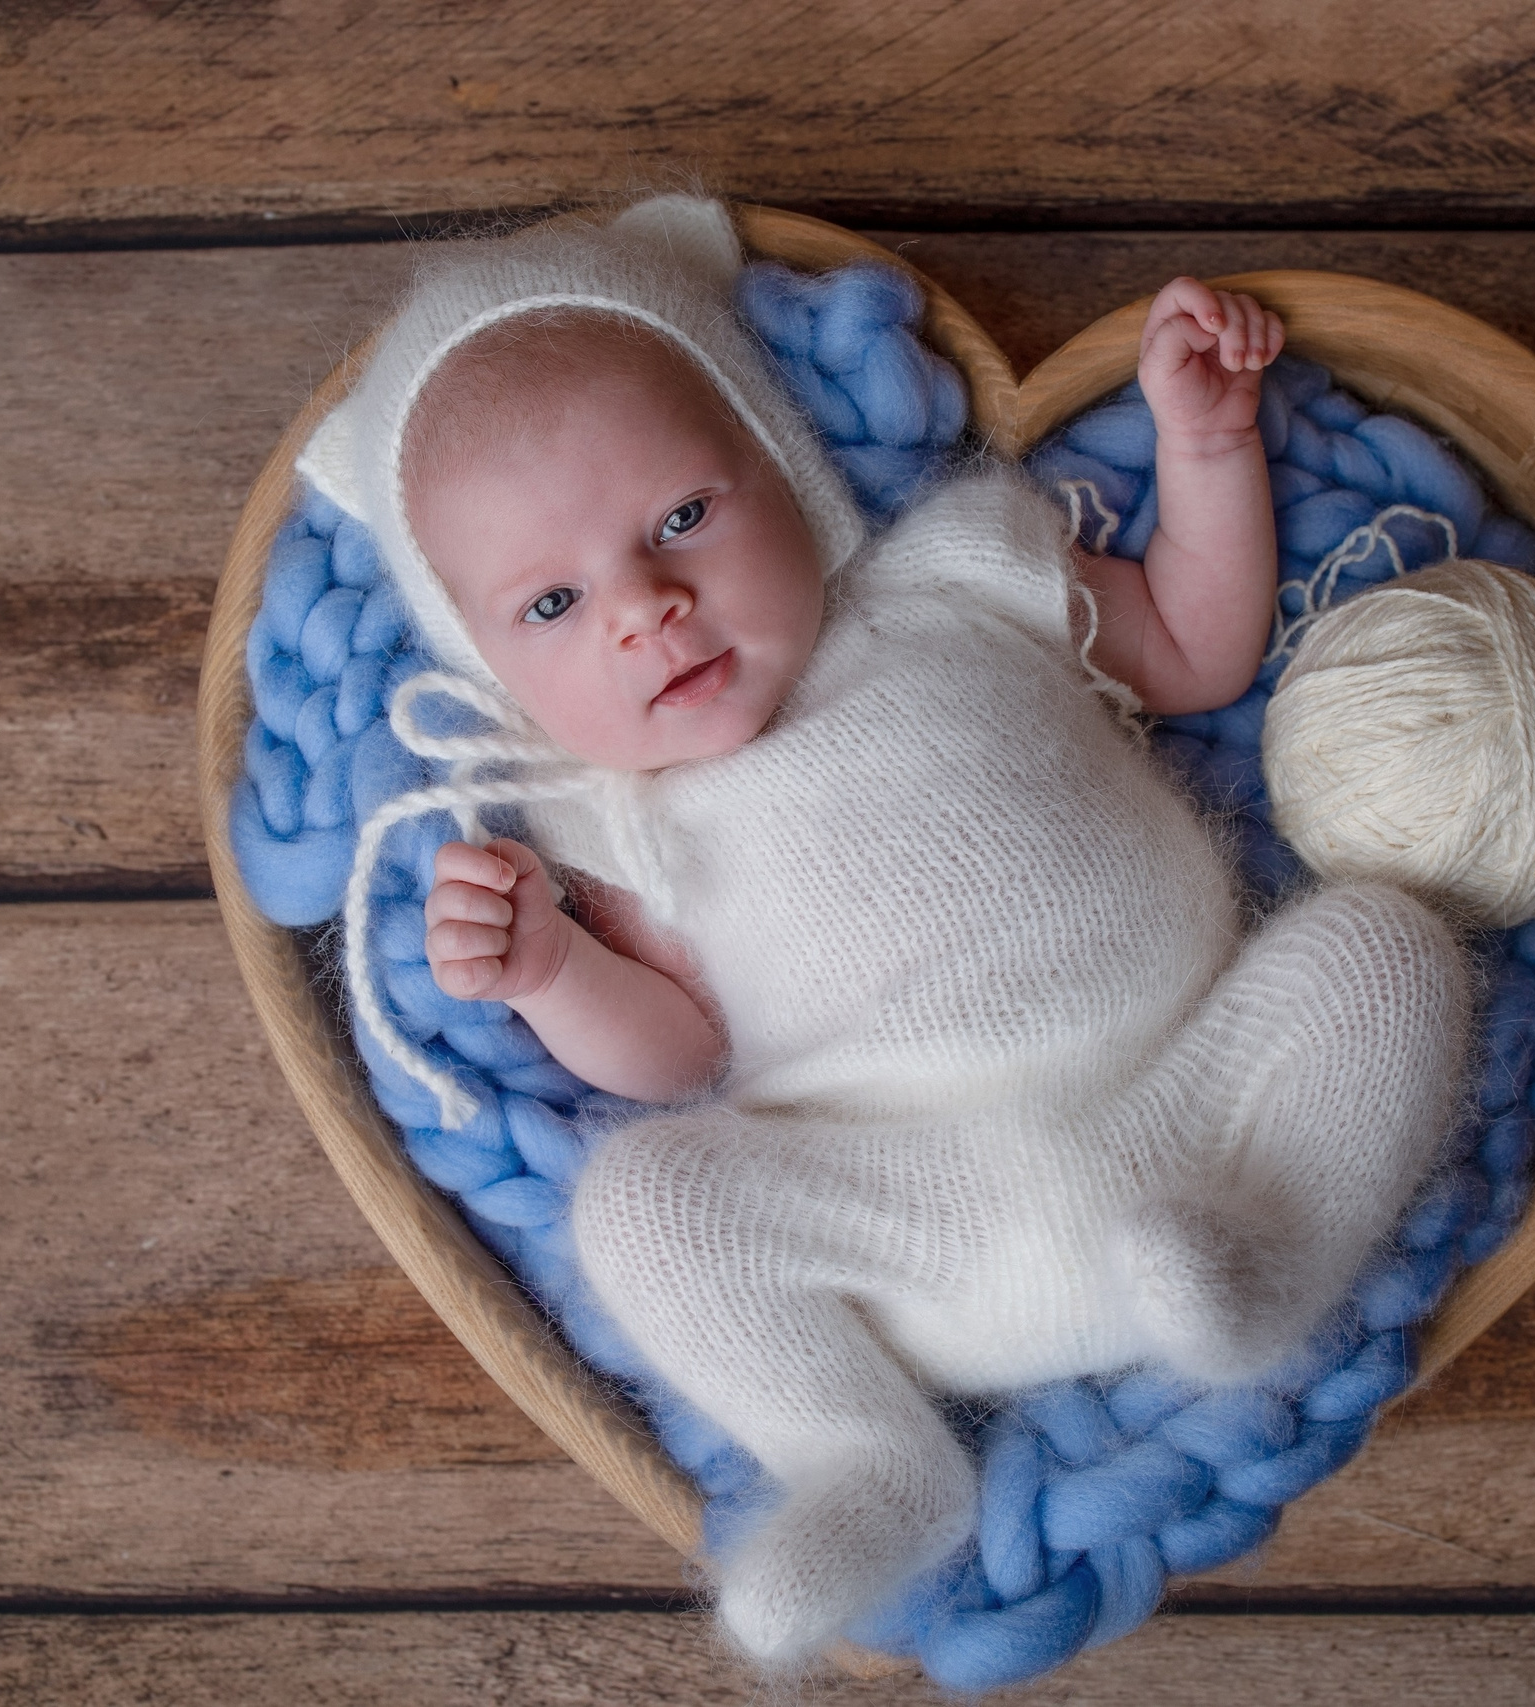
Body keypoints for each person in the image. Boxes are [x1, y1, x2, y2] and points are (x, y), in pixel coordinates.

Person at [299, 196, 1468, 1665]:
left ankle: (1267, 1264)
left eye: (678, 519)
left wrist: (1208, 447)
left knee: (1386, 951)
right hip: (924, 1226)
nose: (647, 608)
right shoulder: (610, 823)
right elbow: (672, 1059)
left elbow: (1193, 644)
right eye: (551, 600)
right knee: (645, 1205)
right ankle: (868, 1458)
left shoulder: (957, 574)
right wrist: (550, 973)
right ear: (494, 670)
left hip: (1195, 1110)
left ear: (784, 471)